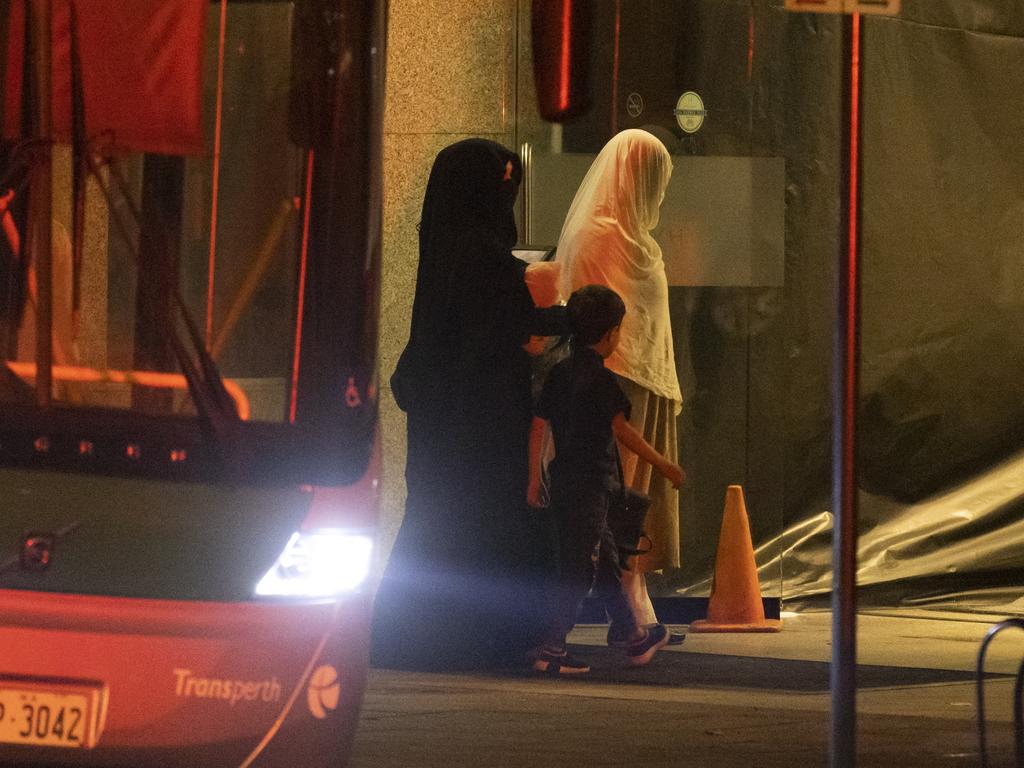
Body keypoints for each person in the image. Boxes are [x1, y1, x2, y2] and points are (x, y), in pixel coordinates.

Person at [371, 139, 566, 671]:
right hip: (484, 417)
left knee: (438, 519)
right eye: (501, 182)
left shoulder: (443, 248)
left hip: (442, 419)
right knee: (485, 520)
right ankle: (486, 637)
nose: (507, 193)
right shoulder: (484, 257)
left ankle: (415, 632)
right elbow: (514, 331)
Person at [555, 129, 684, 643]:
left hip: (642, 376)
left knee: (631, 502)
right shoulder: (601, 236)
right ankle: (624, 615)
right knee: (616, 500)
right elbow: (591, 311)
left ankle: (634, 607)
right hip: (614, 381)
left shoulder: (635, 240)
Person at [526, 285, 684, 674]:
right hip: (592, 486)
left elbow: (538, 426)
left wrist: (534, 478)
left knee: (607, 559)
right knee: (581, 568)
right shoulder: (602, 381)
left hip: (563, 480)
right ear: (612, 333)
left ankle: (632, 636)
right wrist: (665, 465)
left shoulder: (559, 373)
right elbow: (623, 432)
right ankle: (552, 648)